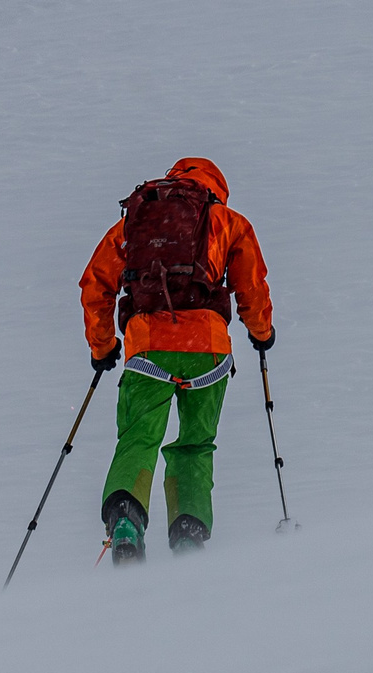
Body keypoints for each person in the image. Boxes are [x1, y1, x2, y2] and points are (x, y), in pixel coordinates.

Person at [80, 157, 274, 563]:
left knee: (138, 439)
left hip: (147, 347)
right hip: (209, 353)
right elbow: (251, 288)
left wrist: (103, 347)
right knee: (195, 444)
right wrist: (262, 335)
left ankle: (126, 522)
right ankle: (188, 532)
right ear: (215, 188)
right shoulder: (228, 222)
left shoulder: (135, 222)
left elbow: (96, 283)